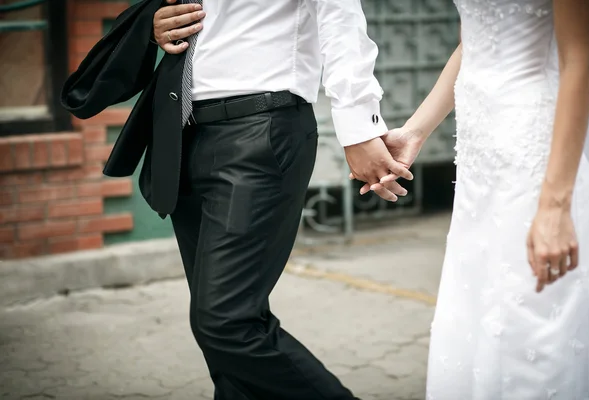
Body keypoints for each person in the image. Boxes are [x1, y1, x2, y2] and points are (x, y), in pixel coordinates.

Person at [146, 1, 412, 399]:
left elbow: (338, 14)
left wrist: (359, 126)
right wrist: (154, 25)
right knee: (229, 333)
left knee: (225, 322)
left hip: (259, 132)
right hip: (184, 128)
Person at [359, 0, 589, 398]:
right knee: (479, 307)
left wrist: (555, 205)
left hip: (533, 146)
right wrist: (416, 132)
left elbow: (577, 62)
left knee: (531, 316)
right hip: (478, 152)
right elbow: (471, 41)